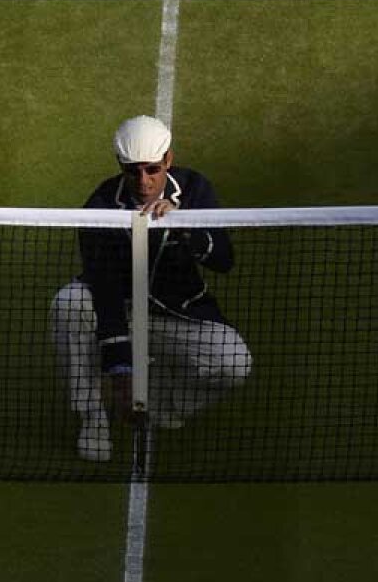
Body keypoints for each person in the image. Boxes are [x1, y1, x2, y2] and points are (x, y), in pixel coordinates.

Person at [50, 115, 252, 462]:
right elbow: (105, 289)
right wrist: (121, 370)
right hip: (118, 311)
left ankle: (160, 403)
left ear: (169, 160)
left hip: (176, 312)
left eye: (153, 169)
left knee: (234, 363)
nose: (143, 181)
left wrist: (184, 228)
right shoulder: (100, 207)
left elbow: (223, 259)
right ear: (120, 166)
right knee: (70, 303)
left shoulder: (194, 189)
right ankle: (94, 414)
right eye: (133, 171)